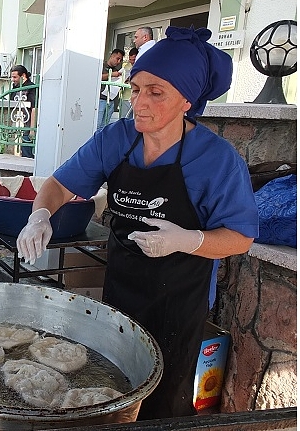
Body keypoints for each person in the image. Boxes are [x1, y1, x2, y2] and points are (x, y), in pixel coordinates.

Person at [16, 26, 258, 420]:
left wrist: (188, 240)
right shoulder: (116, 139)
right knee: (111, 385)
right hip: (123, 286)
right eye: (135, 89)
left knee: (164, 401)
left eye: (155, 92)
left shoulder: (217, 160)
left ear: (187, 100)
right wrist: (40, 216)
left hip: (179, 301)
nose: (139, 104)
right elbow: (59, 185)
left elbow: (241, 238)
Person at [10, 65, 37, 158]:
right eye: (12, 77)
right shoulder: (15, 87)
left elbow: (34, 108)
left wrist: (31, 129)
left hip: (27, 123)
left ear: (23, 76)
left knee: (27, 154)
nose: (12, 80)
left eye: (15, 77)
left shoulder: (31, 88)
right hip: (17, 123)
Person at [97, 48, 124, 131]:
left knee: (105, 126)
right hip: (101, 99)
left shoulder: (116, 71)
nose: (118, 61)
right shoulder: (101, 65)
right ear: (112, 56)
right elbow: (97, 77)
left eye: (120, 60)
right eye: (117, 58)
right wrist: (111, 75)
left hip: (111, 100)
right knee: (97, 125)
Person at [119, 47, 138, 119]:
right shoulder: (127, 66)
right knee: (124, 118)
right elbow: (120, 78)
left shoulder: (140, 66)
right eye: (130, 59)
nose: (132, 62)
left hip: (136, 97)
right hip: (126, 97)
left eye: (134, 60)